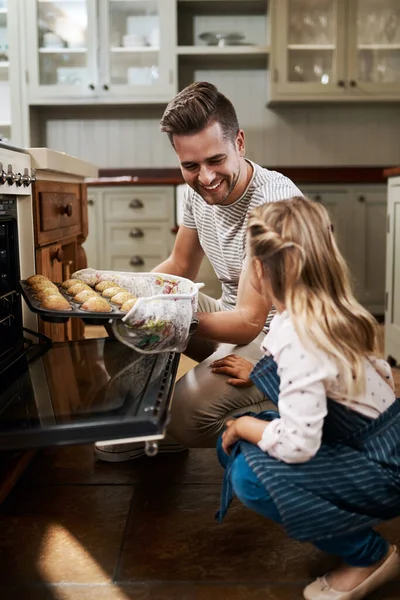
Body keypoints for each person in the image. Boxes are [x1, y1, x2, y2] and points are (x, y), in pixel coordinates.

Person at [94, 81, 302, 462]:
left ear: (239, 143)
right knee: (129, 324)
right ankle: (146, 425)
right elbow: (179, 266)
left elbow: (250, 322)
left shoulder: (273, 203)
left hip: (283, 342)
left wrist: (169, 318)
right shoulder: (195, 193)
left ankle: (296, 413)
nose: (205, 178)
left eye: (215, 160)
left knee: (186, 417)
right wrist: (122, 295)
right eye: (190, 165)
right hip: (235, 318)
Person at [214, 196, 400, 600]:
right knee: (236, 444)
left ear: (259, 271)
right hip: (374, 443)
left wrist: (246, 424)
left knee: (249, 475)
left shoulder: (301, 337)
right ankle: (340, 517)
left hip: (383, 469)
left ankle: (369, 554)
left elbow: (299, 444)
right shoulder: (324, 310)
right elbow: (333, 389)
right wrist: (258, 382)